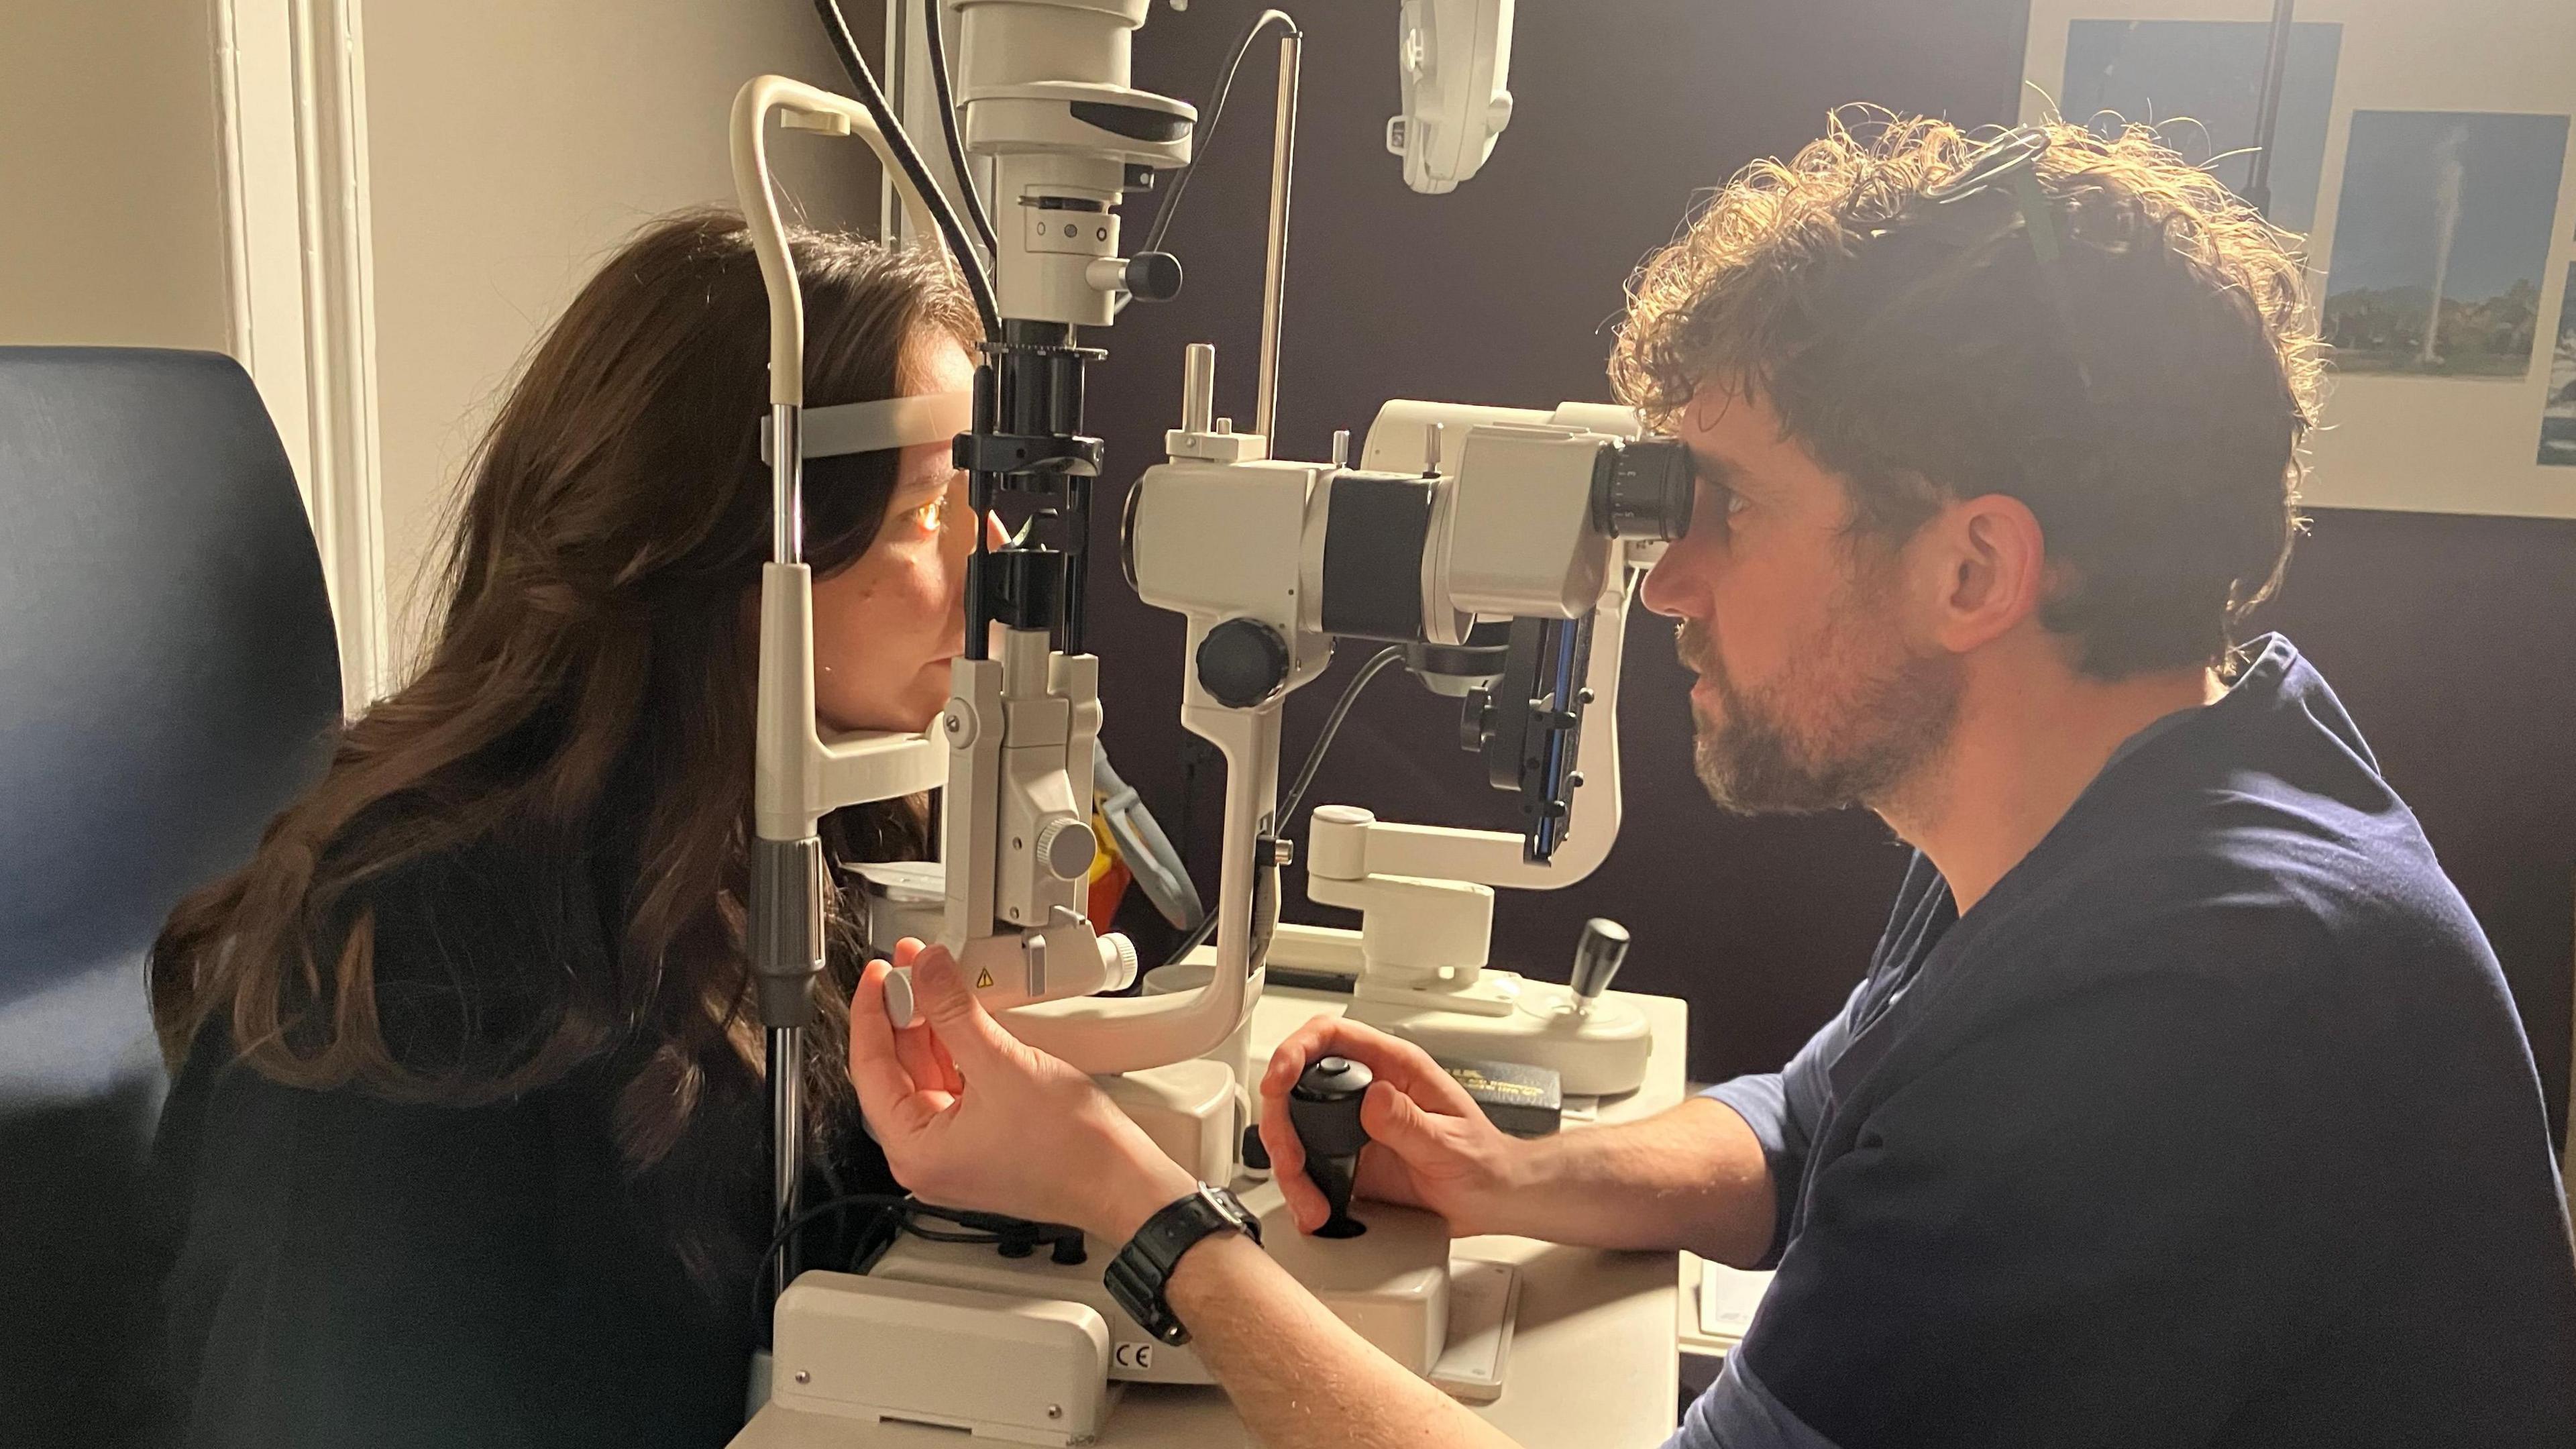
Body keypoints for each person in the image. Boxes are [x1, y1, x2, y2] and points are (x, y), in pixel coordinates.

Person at [845, 115, 2576, 1447]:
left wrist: (1138, 1209)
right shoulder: (2160, 771)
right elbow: (1815, 1122)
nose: (1666, 586)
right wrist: (1510, 1172)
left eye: (1730, 509)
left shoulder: (2193, 998)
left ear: (1973, 571)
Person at [144, 209, 990, 1448]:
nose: (990, 557)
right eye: (925, 511)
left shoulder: (778, 869)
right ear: (707, 538)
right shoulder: (424, 969)